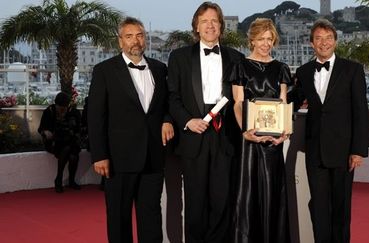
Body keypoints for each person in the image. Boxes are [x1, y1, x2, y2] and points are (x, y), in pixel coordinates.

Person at [87, 16, 174, 243]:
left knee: (151, 216)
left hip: (153, 157)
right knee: (118, 218)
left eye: (139, 35)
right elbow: (96, 116)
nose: (135, 41)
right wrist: (100, 155)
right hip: (118, 159)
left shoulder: (159, 68)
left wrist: (167, 119)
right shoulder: (104, 70)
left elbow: (167, 104)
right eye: (129, 36)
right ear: (120, 42)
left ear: (144, 38)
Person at [167, 2, 243, 243]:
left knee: (223, 202)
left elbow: (243, 98)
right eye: (205, 21)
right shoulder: (179, 57)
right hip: (194, 134)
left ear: (221, 26)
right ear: (196, 27)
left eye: (214, 21)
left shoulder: (236, 57)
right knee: (196, 203)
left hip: (226, 135)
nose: (210, 26)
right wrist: (188, 121)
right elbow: (172, 96)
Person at [294, 19, 369, 243]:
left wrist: (358, 150)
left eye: (328, 38)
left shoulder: (352, 69)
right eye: (318, 38)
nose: (323, 43)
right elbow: (293, 101)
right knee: (318, 207)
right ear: (311, 43)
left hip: (344, 151)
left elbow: (360, 111)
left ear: (335, 41)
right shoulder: (304, 71)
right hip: (315, 151)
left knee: (340, 208)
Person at [230, 18, 292, 243]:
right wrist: (245, 130)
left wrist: (285, 132)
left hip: (274, 143)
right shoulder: (240, 66)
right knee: (249, 195)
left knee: (273, 194)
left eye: (270, 39)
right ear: (252, 40)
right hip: (250, 140)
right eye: (261, 39)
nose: (266, 43)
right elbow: (237, 103)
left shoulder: (281, 68)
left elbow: (283, 103)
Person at [38, 91, 81, 193]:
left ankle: (63, 180)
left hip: (70, 141)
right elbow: (40, 129)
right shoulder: (49, 111)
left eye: (64, 108)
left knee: (73, 155)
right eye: (60, 108)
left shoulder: (74, 112)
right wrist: (45, 132)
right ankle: (62, 179)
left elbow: (79, 129)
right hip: (54, 142)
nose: (62, 111)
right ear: (55, 105)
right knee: (68, 150)